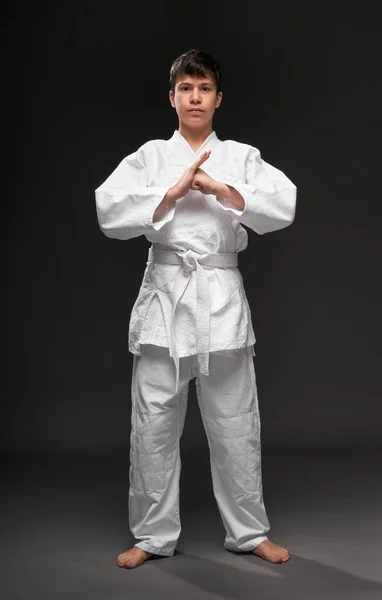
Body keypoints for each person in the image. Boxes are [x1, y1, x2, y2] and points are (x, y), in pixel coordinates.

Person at [95, 49, 297, 569]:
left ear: (218, 98)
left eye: (203, 88)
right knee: (154, 422)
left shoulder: (241, 157)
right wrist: (172, 191)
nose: (195, 97)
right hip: (166, 294)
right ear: (172, 97)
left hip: (220, 297)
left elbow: (284, 205)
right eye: (186, 88)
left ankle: (249, 532)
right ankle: (152, 535)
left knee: (235, 421)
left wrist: (221, 189)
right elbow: (109, 209)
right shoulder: (150, 157)